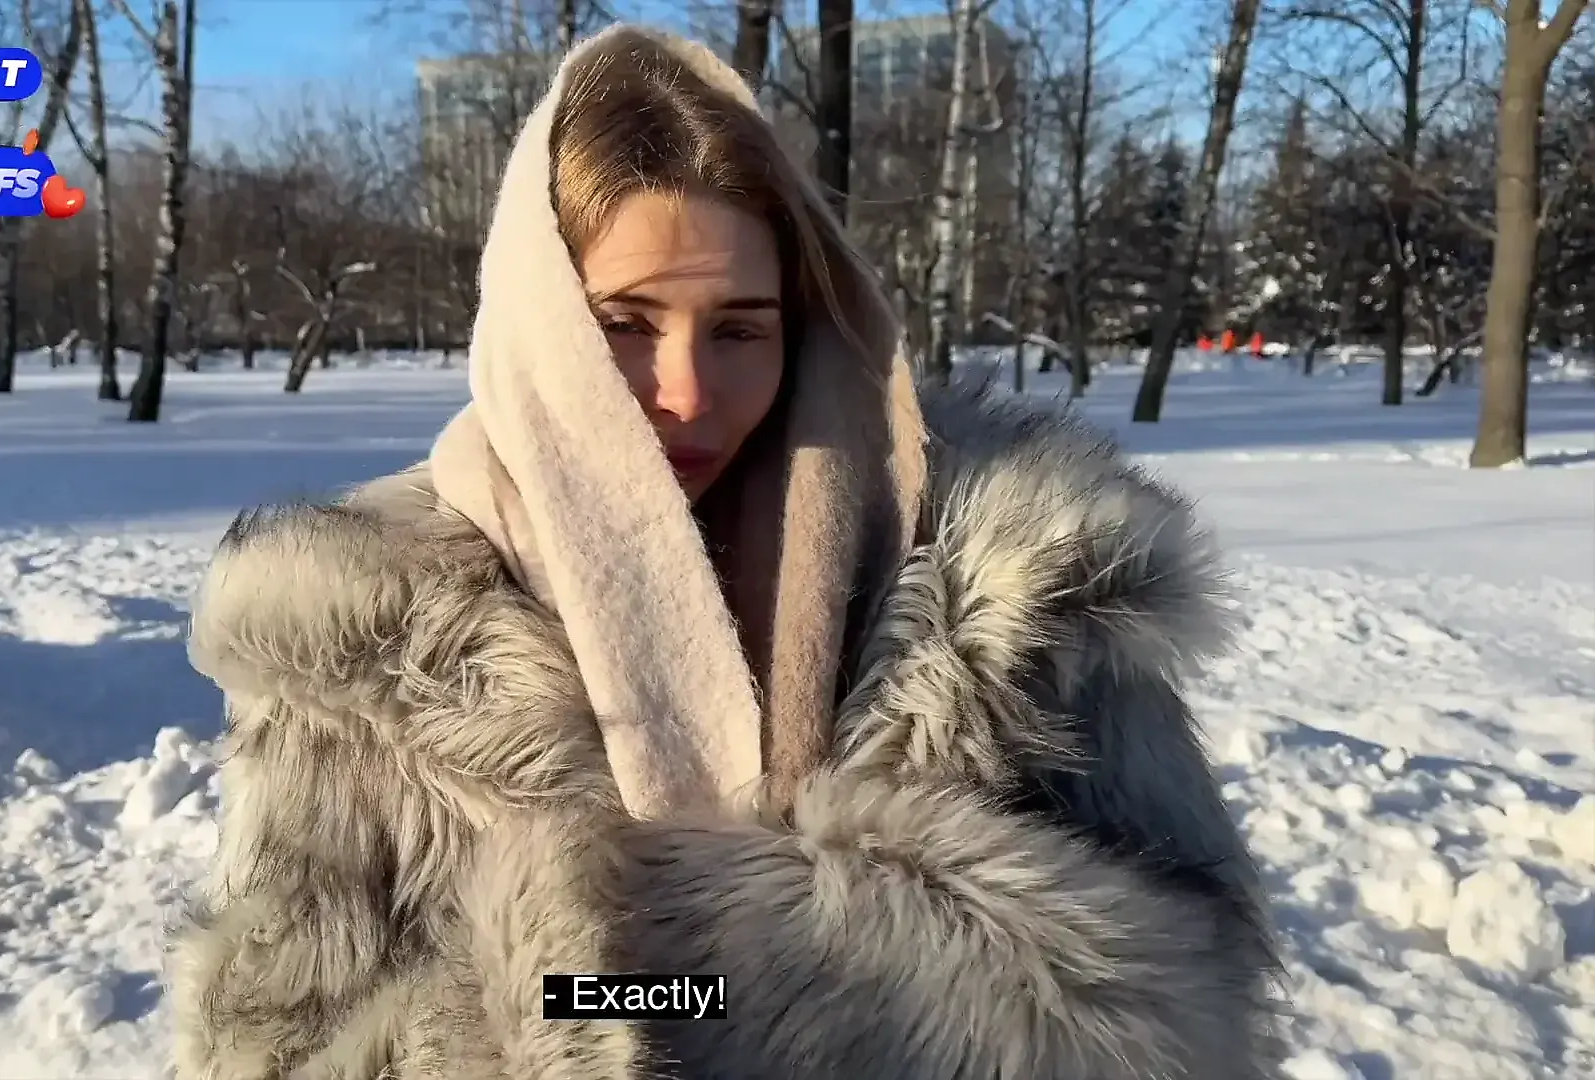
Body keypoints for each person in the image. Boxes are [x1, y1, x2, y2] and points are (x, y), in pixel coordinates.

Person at [171, 24, 1281, 1080]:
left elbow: (1200, 1007)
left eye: (741, 328)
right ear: (536, 328)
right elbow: (262, 1049)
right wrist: (570, 1008)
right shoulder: (357, 635)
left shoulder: (1018, 584)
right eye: (625, 325)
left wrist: (723, 962)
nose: (690, 391)